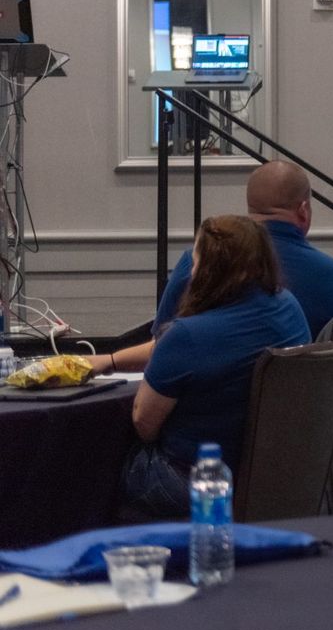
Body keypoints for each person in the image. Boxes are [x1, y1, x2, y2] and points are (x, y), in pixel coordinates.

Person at [119, 214, 311, 519]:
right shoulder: (289, 307)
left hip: (193, 484)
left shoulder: (186, 335)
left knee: (105, 461)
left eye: (194, 261)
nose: (191, 270)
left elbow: (144, 423)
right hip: (274, 480)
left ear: (208, 270)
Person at [89, 161, 333, 377]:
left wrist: (108, 361)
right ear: (304, 210)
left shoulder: (196, 261)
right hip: (289, 424)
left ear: (250, 210)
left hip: (206, 419)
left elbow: (163, 348)